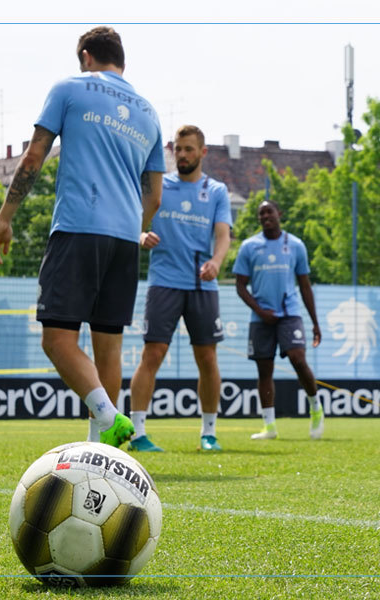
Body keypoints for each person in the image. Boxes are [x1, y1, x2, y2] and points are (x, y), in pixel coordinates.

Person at [0, 27, 164, 448]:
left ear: (86, 56)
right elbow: (154, 194)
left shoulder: (68, 88)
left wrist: (5, 219)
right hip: (125, 240)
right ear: (121, 60)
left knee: (57, 339)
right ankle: (99, 449)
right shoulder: (149, 112)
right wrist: (135, 228)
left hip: (78, 228)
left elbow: (34, 156)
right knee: (109, 346)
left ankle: (109, 417)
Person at [127, 125, 232, 453]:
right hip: (163, 283)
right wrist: (142, 236)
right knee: (152, 354)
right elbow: (135, 221)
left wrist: (216, 261)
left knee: (207, 358)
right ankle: (138, 433)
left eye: (189, 149)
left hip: (202, 285)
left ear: (203, 152)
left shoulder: (216, 191)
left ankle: (209, 433)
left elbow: (223, 236)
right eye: (178, 149)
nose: (183, 155)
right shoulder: (159, 186)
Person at [233, 200, 323, 440]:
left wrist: (315, 322)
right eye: (261, 213)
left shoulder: (295, 245)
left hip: (289, 314)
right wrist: (260, 311)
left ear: (279, 214)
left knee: (297, 358)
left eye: (269, 211)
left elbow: (304, 285)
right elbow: (240, 286)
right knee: (265, 370)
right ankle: (269, 427)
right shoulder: (249, 246)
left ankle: (316, 408)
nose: (265, 216)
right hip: (261, 317)